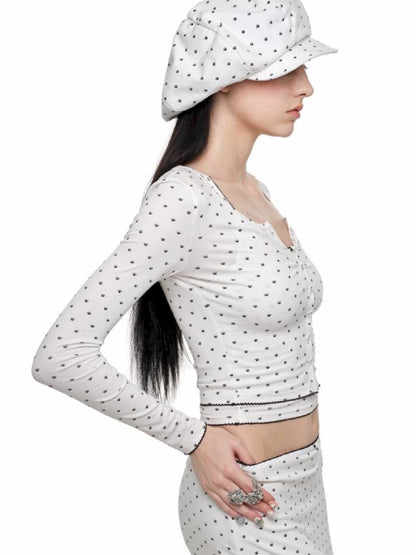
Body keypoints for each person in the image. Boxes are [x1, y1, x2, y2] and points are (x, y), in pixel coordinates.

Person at [31, 0, 338, 553]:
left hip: (303, 484)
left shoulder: (255, 191)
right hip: (243, 498)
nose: (307, 86)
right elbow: (60, 355)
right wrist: (195, 440)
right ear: (224, 76)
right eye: (286, 69)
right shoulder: (183, 199)